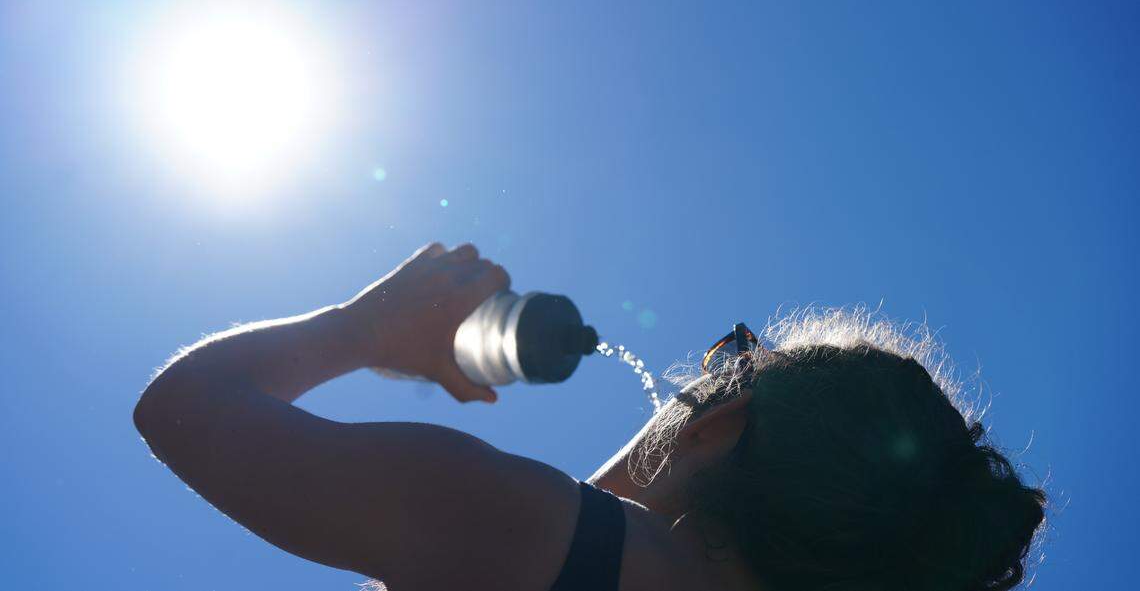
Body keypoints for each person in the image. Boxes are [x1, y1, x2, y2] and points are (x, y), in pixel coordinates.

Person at [133, 243, 1046, 591]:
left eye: (728, 364)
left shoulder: (547, 535)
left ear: (720, 424)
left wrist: (362, 327)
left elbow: (183, 410)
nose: (699, 370)